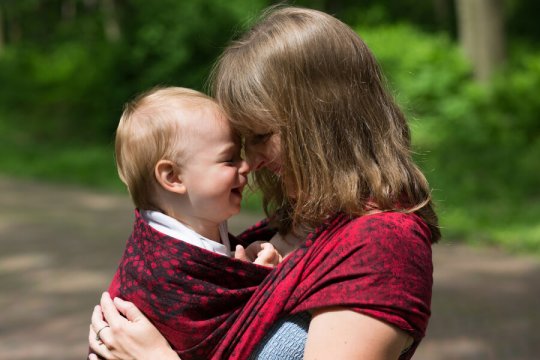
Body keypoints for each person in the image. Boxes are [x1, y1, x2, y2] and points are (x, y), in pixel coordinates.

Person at [89, 6, 441, 360]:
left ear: (319, 125)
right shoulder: (289, 226)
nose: (251, 161)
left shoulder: (382, 243)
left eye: (260, 135)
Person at [95, 86, 283, 359]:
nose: (245, 166)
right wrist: (255, 281)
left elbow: (219, 280)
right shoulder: (163, 268)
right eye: (228, 159)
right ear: (173, 177)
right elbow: (214, 328)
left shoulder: (195, 224)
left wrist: (244, 265)